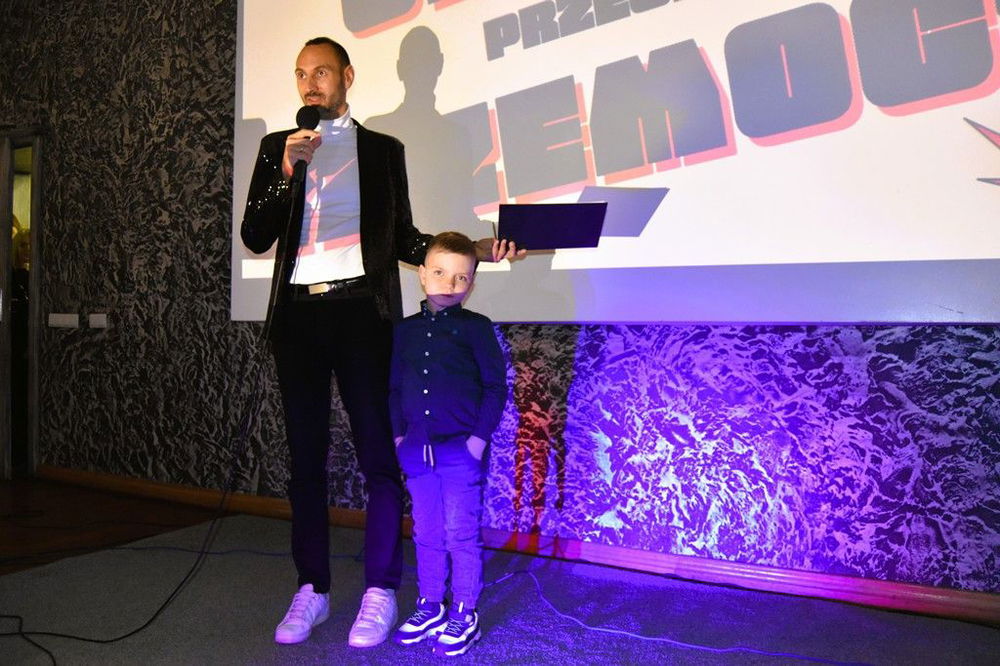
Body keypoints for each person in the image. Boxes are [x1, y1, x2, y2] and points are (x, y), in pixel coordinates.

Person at [240, 37, 521, 649]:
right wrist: (285, 171)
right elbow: (255, 234)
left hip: (361, 316)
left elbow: (404, 239)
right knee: (305, 460)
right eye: (300, 74)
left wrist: (473, 249)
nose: (309, 83)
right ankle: (312, 587)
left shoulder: (381, 151)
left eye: (321, 71)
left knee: (378, 455)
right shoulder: (277, 148)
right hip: (297, 317)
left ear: (347, 76)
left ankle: (380, 590)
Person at [389, 232, 507, 657]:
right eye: (439, 273)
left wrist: (476, 442)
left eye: (461, 277)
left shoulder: (476, 328)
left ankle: (464, 610)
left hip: (460, 452)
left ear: (471, 282)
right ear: (422, 275)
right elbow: (394, 388)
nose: (449, 284)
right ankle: (430, 604)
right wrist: (399, 436)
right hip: (416, 451)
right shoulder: (405, 331)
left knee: (460, 533)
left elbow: (495, 388)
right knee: (426, 532)